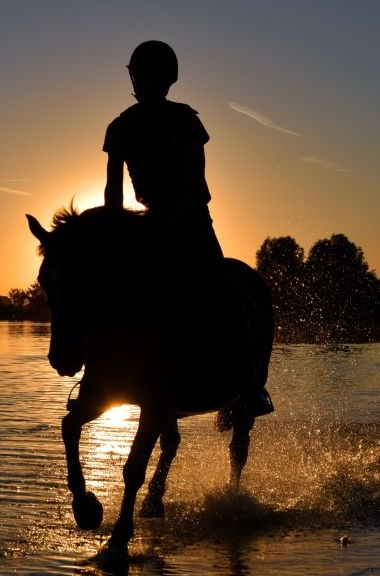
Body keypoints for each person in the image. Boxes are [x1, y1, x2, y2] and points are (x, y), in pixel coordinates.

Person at [102, 40, 273, 416]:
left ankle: (248, 382)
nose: (142, 82)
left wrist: (171, 228)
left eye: (150, 75)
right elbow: (113, 189)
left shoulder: (185, 121)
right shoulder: (120, 127)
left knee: (216, 287)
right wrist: (113, 230)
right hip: (148, 222)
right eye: (137, 74)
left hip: (191, 220)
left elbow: (196, 187)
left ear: (167, 81)